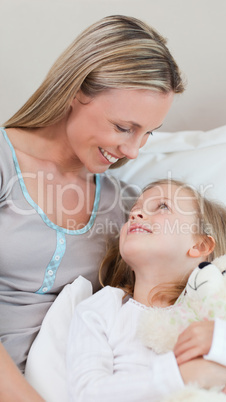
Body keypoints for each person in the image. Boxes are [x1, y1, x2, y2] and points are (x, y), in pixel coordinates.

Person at [0, 15, 184, 400]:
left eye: (148, 134)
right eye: (123, 127)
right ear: (75, 90)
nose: (133, 151)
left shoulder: (128, 207)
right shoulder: (5, 164)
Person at [66, 179, 226, 401]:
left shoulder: (225, 310)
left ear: (200, 246)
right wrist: (179, 376)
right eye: (134, 210)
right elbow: (85, 393)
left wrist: (224, 341)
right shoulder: (103, 309)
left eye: (162, 206)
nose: (136, 214)